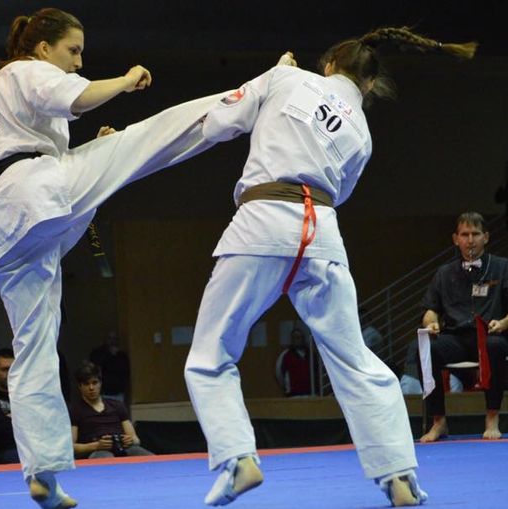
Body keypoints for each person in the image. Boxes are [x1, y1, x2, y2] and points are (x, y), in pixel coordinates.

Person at [184, 28, 476, 507]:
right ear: (369, 84)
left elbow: (219, 121)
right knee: (354, 358)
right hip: (321, 233)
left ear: (328, 65)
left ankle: (237, 458)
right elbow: (340, 191)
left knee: (211, 352)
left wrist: (272, 77)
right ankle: (399, 475)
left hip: (262, 223)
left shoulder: (284, 77)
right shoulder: (361, 131)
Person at [0, 8, 232, 508]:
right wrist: (128, 79)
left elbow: (37, 145)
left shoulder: (6, 92)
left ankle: (43, 475)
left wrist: (94, 154)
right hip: (31, 194)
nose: (78, 61)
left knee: (35, 352)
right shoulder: (25, 70)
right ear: (43, 47)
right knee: (144, 142)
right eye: (73, 50)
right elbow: (80, 96)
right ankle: (252, 97)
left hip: (5, 229)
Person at [420, 212, 508, 443]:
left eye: (475, 234)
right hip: (456, 338)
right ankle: (438, 421)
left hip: (490, 335)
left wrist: (503, 323)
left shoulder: (502, 267)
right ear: (455, 239)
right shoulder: (444, 273)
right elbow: (430, 310)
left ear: (486, 237)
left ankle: (492, 417)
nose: (470, 240)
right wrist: (431, 323)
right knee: (427, 350)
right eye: (465, 234)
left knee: (496, 347)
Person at [69, 362, 152, 458]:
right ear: (80, 386)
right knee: (104, 459)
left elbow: (136, 439)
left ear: (100, 383)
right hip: (97, 450)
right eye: (86, 384)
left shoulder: (117, 405)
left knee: (151, 459)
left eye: (95, 383)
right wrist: (95, 446)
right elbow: (70, 447)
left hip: (124, 447)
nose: (91, 388)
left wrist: (130, 440)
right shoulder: (75, 410)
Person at [89, 331, 130, 402]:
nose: (112, 341)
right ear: (105, 339)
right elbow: (95, 366)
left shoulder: (122, 355)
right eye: (110, 338)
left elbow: (125, 371)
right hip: (103, 392)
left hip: (119, 392)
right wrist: (110, 355)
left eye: (115, 339)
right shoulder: (98, 353)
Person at [275, 327, 314, 396]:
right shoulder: (286, 355)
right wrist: (286, 388)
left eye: (300, 337)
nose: (298, 340)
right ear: (292, 340)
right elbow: (279, 374)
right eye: (296, 338)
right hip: (293, 394)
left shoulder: (311, 354)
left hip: (310, 393)